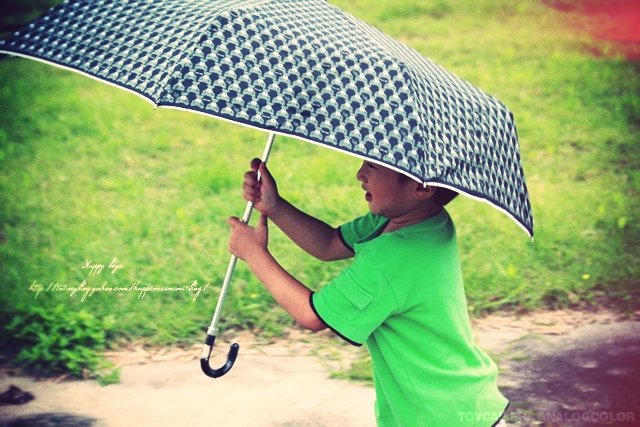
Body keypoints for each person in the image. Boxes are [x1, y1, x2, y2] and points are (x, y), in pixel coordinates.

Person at [227, 158, 509, 427]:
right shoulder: (416, 221)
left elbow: (311, 315)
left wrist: (254, 254)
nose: (360, 174)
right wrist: (275, 207)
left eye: (373, 166)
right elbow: (328, 244)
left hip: (439, 416)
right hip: (462, 402)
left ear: (422, 187)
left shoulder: (395, 255)